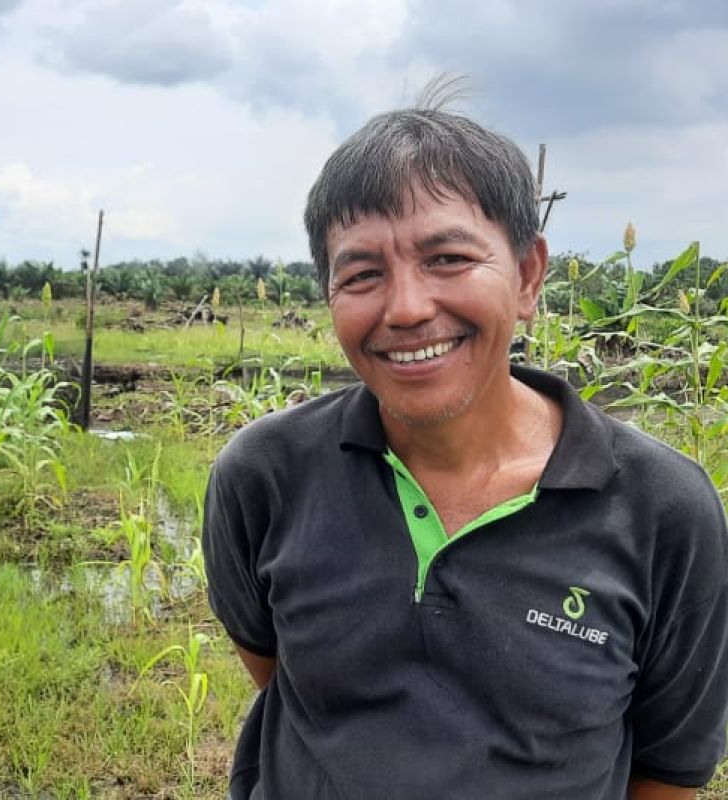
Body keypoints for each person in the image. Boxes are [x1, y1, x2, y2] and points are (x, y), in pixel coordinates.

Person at [202, 102, 728, 799]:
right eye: (362, 274)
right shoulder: (263, 476)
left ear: (528, 276)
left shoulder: (664, 510)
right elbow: (275, 668)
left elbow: (667, 768)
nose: (408, 308)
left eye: (447, 258)